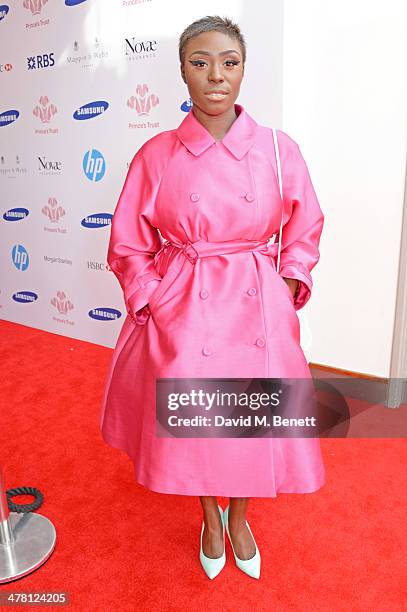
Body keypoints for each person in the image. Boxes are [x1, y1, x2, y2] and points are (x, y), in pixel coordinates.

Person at [99, 15, 326, 580]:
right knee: (196, 420)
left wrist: (291, 279)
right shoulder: (156, 154)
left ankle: (241, 517)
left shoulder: (277, 149)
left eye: (229, 62)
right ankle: (208, 514)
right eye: (200, 63)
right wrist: (150, 296)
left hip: (256, 300)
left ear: (244, 69)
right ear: (182, 71)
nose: (216, 76)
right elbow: (127, 240)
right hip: (185, 302)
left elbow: (306, 225)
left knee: (255, 415)